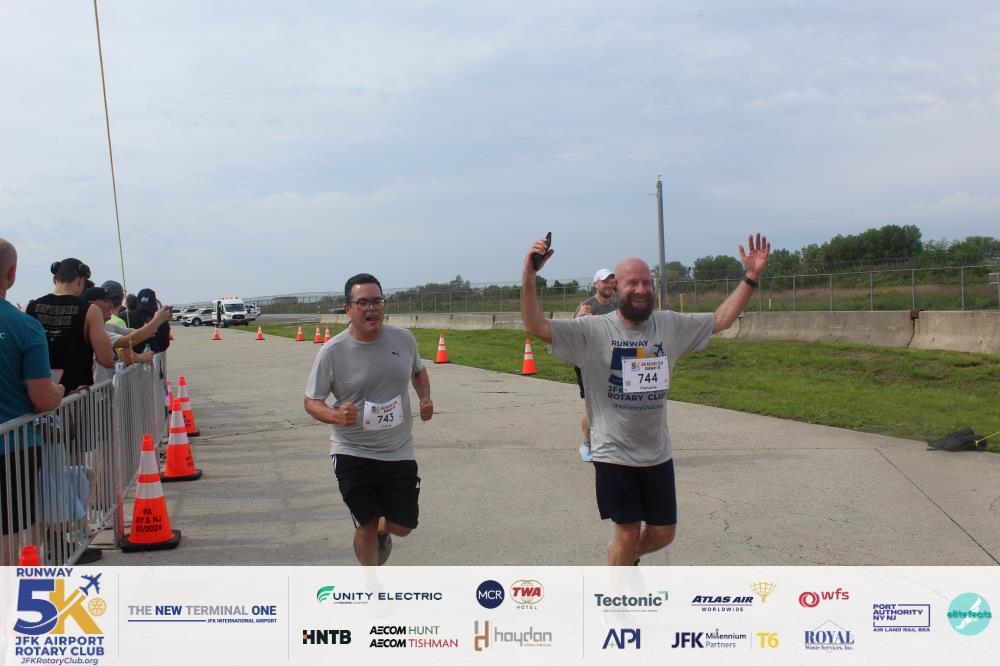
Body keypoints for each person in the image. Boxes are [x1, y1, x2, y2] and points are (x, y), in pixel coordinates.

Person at [521, 233, 770, 565]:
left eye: (647, 282)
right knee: (626, 532)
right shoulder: (592, 330)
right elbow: (535, 325)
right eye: (632, 283)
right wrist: (529, 274)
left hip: (656, 453)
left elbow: (721, 319)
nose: (641, 289)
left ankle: (623, 561)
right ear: (616, 288)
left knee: (663, 534)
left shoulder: (669, 326)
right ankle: (617, 589)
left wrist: (751, 277)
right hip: (612, 451)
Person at [303, 273, 433, 566]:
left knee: (403, 526)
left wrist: (425, 398)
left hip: (398, 450)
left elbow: (418, 371)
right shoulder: (332, 351)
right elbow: (311, 401)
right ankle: (370, 584)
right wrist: (335, 415)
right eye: (363, 303)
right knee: (366, 524)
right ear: (348, 309)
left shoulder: (403, 339)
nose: (371, 308)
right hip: (353, 451)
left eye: (377, 301)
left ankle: (383, 529)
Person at [0, 239, 65, 565]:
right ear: (11, 274)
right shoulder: (25, 326)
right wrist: (59, 391)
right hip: (13, 448)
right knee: (10, 531)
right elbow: (42, 397)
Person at [574, 268, 617, 462]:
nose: (608, 284)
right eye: (604, 281)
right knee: (594, 407)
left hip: (613, 363)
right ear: (595, 284)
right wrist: (578, 318)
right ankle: (587, 443)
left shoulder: (617, 306)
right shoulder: (587, 306)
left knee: (616, 405)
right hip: (589, 364)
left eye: (611, 281)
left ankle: (611, 443)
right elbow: (571, 333)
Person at [127, 288, 170, 355]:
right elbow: (165, 345)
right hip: (155, 357)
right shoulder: (162, 319)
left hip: (131, 358)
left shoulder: (125, 316)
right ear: (154, 302)